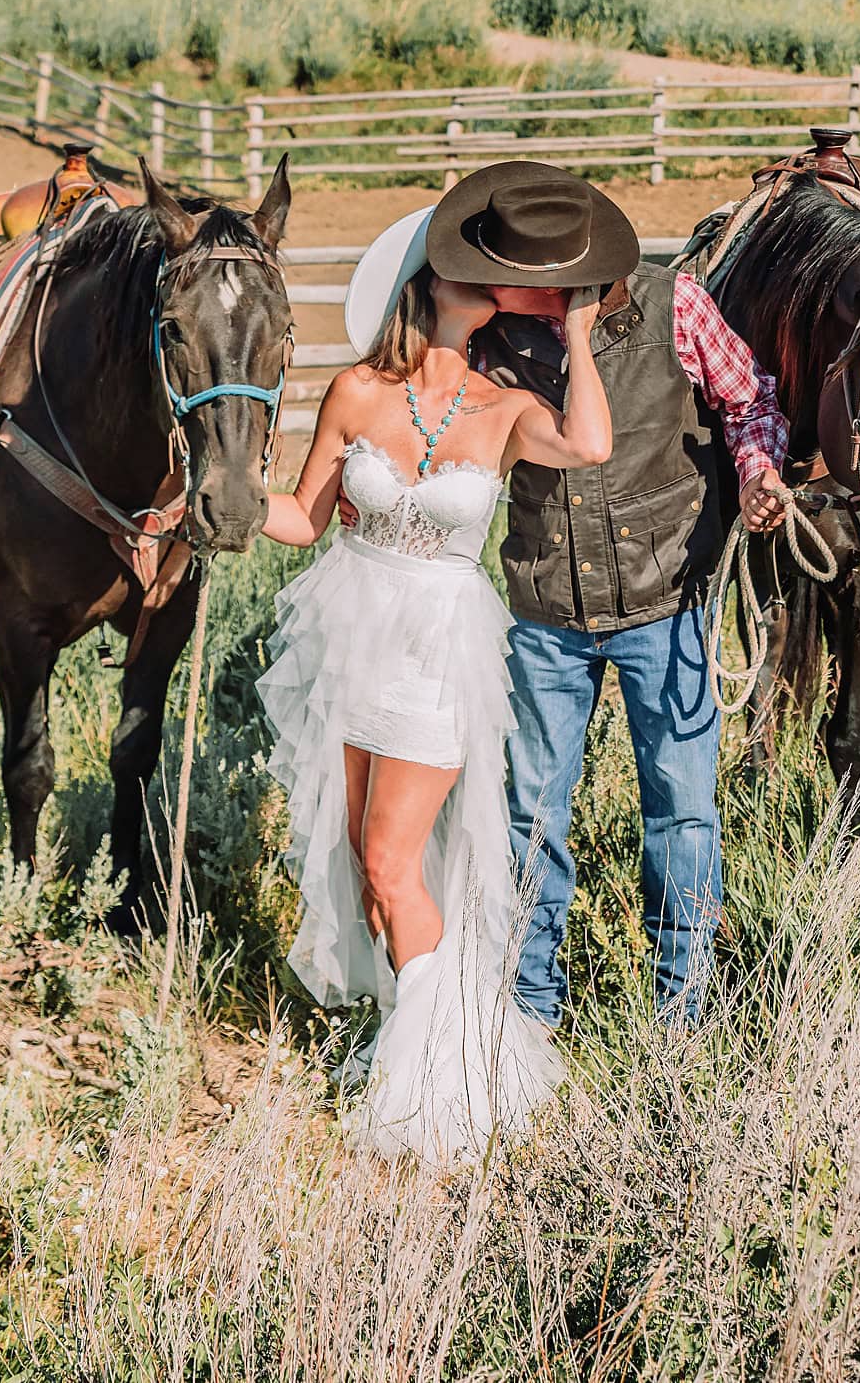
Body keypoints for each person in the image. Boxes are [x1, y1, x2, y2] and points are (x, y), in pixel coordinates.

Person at [256, 200, 614, 1167]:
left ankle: (432, 1091)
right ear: (421, 283)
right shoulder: (356, 394)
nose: (475, 277)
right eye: (455, 263)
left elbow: (590, 444)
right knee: (361, 866)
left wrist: (576, 331)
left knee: (391, 862)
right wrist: (225, 498)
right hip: (352, 635)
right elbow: (301, 513)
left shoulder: (504, 409)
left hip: (436, 654)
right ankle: (414, 1038)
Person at [424, 160, 789, 1032]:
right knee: (534, 812)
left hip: (668, 595)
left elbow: (748, 400)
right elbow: (424, 403)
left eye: (516, 281)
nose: (499, 291)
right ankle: (530, 1008)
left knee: (681, 810)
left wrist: (759, 468)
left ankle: (684, 1011)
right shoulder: (491, 337)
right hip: (547, 606)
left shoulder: (677, 306)